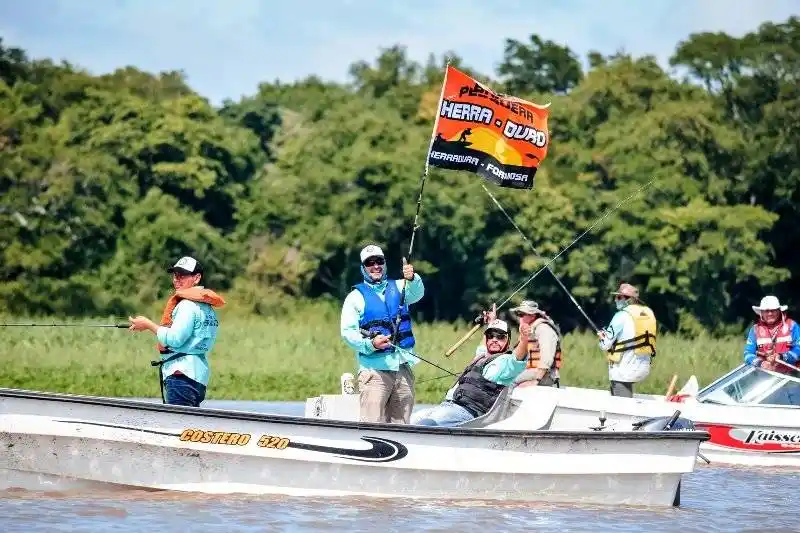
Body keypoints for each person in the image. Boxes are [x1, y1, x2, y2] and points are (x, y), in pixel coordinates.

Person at [340, 244, 424, 424]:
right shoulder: (355, 298)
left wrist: (413, 278)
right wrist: (370, 344)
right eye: (370, 263)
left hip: (402, 368)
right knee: (371, 424)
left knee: (401, 425)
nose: (375, 266)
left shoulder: (402, 286)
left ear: (384, 264)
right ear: (363, 268)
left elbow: (417, 293)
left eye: (379, 261)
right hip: (374, 371)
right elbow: (348, 333)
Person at [128, 256, 225, 407]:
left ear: (197, 278)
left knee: (179, 425)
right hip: (198, 377)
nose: (177, 280)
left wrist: (148, 324)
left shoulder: (187, 305)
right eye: (175, 275)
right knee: (189, 426)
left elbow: (175, 339)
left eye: (183, 275)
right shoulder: (207, 307)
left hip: (181, 375)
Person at [413, 307, 531, 427]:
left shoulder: (506, 363)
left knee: (426, 423)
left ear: (508, 340)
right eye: (491, 336)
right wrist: (491, 322)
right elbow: (483, 343)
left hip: (469, 412)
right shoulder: (481, 356)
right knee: (413, 418)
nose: (495, 339)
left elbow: (518, 357)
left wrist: (524, 338)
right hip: (448, 406)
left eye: (500, 337)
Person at [597, 282, 657, 398]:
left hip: (623, 371)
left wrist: (601, 337)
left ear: (629, 299)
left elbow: (605, 345)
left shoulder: (621, 316)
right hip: (643, 367)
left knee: (621, 410)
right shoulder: (647, 313)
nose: (615, 300)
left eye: (619, 297)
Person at [509, 300, 563, 388]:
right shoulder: (531, 330)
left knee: (509, 381)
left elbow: (547, 357)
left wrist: (536, 381)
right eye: (518, 315)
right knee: (503, 376)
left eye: (522, 314)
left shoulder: (544, 329)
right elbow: (516, 357)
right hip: (532, 371)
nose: (519, 318)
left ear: (533, 315)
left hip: (545, 375)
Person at [743, 295, 800, 373]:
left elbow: (798, 349)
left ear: (779, 311)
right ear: (761, 313)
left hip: (792, 376)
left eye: (773, 310)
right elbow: (748, 353)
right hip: (766, 378)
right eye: (766, 311)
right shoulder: (755, 330)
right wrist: (761, 363)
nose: (770, 314)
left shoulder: (792, 326)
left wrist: (781, 356)